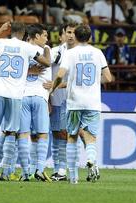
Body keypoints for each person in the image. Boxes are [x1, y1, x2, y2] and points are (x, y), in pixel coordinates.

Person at [0, 22, 50, 180]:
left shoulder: (1, 43)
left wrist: (1, 29)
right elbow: (47, 63)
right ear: (24, 34)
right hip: (15, 95)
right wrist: (46, 50)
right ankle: (6, 171)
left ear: (11, 31)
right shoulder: (27, 47)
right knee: (11, 132)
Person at [51, 24, 113, 184]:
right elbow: (108, 78)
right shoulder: (98, 53)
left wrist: (53, 87)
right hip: (92, 103)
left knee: (71, 137)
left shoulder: (71, 53)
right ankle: (91, 159)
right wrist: (93, 82)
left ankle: (73, 178)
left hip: (74, 102)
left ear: (76, 37)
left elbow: (60, 74)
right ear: (90, 37)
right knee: (90, 137)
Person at [17, 24, 51, 181]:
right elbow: (48, 66)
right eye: (44, 35)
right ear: (36, 36)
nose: (46, 38)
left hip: (22, 96)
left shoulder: (20, 49)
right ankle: (39, 169)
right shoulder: (44, 52)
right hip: (39, 96)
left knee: (23, 134)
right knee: (43, 134)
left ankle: (25, 173)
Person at [49, 22, 78, 182]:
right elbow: (45, 66)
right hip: (57, 99)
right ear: (61, 35)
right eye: (68, 32)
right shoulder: (55, 53)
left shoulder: (81, 54)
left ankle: (64, 168)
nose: (71, 35)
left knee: (68, 134)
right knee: (56, 134)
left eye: (73, 32)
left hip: (74, 101)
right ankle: (57, 168)